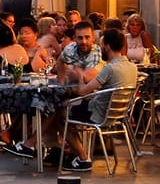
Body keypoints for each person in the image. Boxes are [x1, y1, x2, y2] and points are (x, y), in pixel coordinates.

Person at [9, 28, 138, 172]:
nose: (101, 48)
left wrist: (81, 75)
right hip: (118, 115)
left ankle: (81, 157)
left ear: (107, 46)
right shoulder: (132, 67)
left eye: (102, 45)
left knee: (56, 112)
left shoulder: (110, 68)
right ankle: (33, 145)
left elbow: (83, 91)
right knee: (59, 108)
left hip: (98, 113)